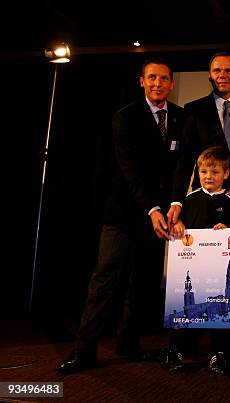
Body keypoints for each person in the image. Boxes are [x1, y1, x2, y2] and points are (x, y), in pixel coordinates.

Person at [58, 57, 186, 373]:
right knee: (104, 279)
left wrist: (174, 203)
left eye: (164, 78)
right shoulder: (124, 117)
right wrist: (152, 208)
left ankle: (129, 344)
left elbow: (181, 168)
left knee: (141, 283)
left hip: (159, 219)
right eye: (152, 78)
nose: (158, 83)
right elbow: (130, 171)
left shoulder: (182, 118)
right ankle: (83, 351)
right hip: (123, 213)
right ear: (141, 81)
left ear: (171, 83)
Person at [164, 146, 230, 374]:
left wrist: (227, 230)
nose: (209, 177)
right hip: (193, 269)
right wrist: (179, 224)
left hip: (220, 272)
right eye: (204, 172)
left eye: (215, 172)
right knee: (185, 308)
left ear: (226, 174)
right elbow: (178, 225)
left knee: (222, 310)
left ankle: (220, 354)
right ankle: (176, 351)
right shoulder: (189, 200)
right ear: (198, 173)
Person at [171, 51, 230, 227]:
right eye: (217, 70)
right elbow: (184, 161)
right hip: (204, 200)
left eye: (228, 71)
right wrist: (177, 202)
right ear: (210, 75)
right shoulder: (193, 110)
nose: (222, 75)